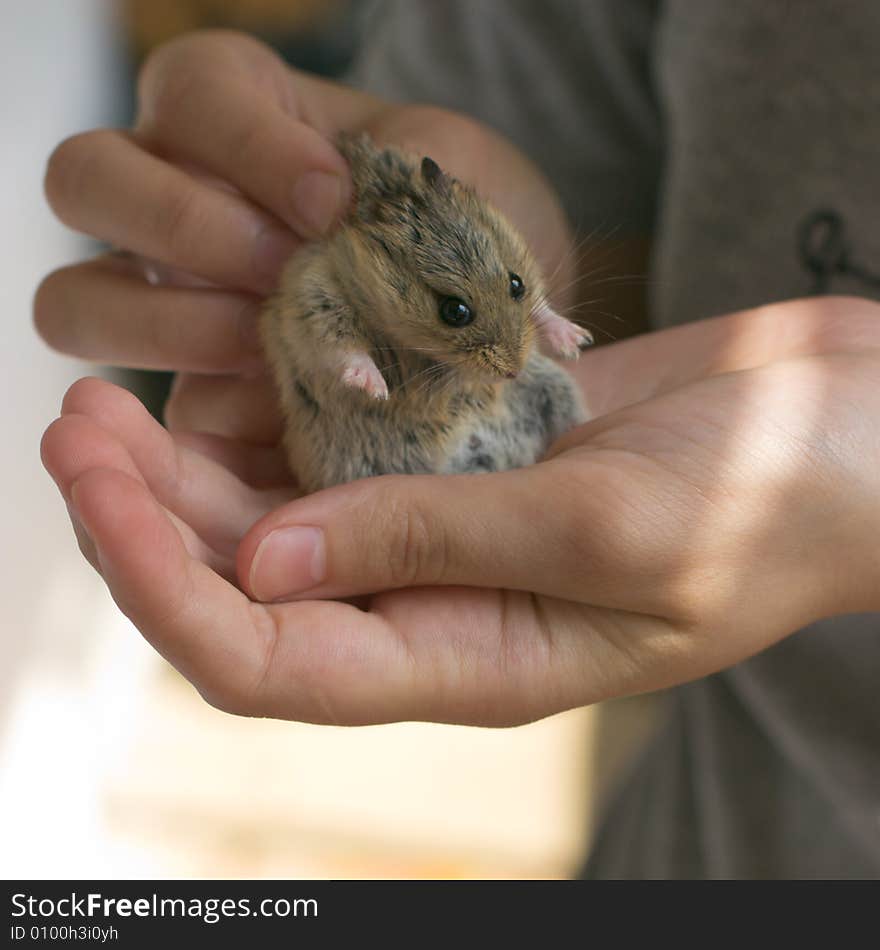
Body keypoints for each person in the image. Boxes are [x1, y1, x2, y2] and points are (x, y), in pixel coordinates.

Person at [35, 2, 880, 878]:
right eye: (458, 312)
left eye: (516, 290)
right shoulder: (331, 276)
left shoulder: (486, 285)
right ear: (378, 264)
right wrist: (350, 334)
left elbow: (503, 285)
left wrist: (534, 312)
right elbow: (337, 292)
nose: (506, 334)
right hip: (706, 838)